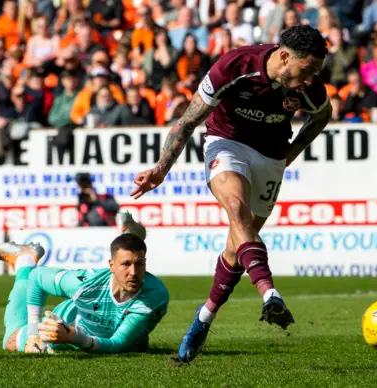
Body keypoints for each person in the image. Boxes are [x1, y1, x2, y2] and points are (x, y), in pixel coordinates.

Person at [130, 25, 331, 363]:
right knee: (236, 208)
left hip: (270, 156)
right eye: (306, 69)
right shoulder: (234, 67)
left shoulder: (307, 89)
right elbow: (187, 121)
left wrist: (289, 155)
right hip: (227, 143)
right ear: (284, 57)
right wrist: (162, 168)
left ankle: (204, 316)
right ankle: (269, 293)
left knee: (238, 247)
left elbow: (322, 117)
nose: (310, 79)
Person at [0, 213, 167, 354]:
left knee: (127, 251)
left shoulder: (153, 295)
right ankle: (25, 258)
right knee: (10, 341)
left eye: (140, 264)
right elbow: (37, 277)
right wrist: (33, 335)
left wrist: (75, 338)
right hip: (66, 321)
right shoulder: (85, 283)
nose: (134, 273)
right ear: (111, 266)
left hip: (74, 335)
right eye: (126, 265)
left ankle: (129, 235)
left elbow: (118, 344)